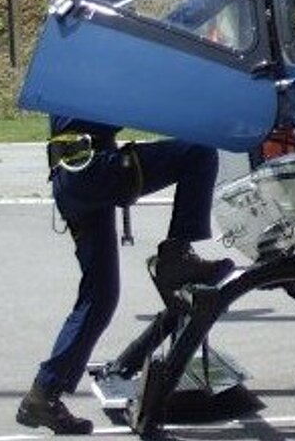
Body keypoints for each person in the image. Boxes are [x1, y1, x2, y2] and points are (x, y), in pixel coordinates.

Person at [16, 117, 235, 435]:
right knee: (198, 153)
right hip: (92, 170)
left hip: (73, 178)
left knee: (100, 295)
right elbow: (131, 100)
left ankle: (43, 394)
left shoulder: (68, 72)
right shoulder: (90, 69)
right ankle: (176, 256)